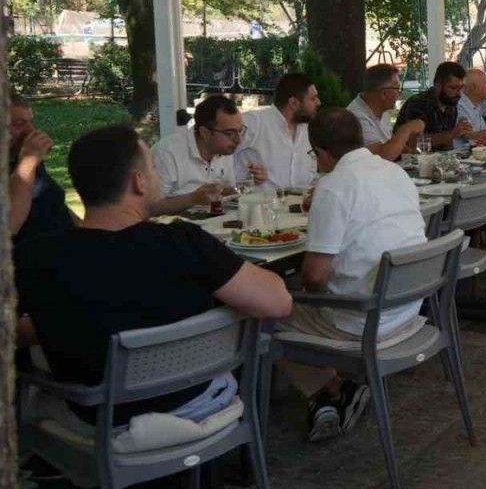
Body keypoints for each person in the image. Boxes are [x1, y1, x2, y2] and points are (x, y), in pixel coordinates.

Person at [16, 124, 291, 427]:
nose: (158, 175)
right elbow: (278, 302)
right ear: (138, 182)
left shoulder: (35, 257)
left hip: (98, 418)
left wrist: (51, 322)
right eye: (153, 168)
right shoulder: (184, 243)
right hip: (197, 405)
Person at [275, 108, 428, 441]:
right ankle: (334, 390)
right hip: (408, 307)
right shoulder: (395, 172)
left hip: (367, 321)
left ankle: (326, 389)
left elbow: (314, 277)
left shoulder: (333, 186)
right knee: (292, 295)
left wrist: (308, 299)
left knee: (265, 309)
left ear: (321, 153)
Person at [151, 94, 267, 214]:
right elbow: (150, 207)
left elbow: (226, 193)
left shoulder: (225, 151)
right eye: (229, 133)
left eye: (240, 131)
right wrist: (192, 199)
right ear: (205, 133)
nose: (238, 140)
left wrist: (250, 181)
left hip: (216, 221)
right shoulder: (168, 153)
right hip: (175, 224)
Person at [9, 93, 75, 244]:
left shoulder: (19, 156)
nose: (31, 131)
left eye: (31, 122)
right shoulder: (26, 161)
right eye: (19, 124)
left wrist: (88, 231)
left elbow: (53, 203)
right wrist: (28, 161)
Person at [237, 73, 319, 190]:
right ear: (293, 103)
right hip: (258, 200)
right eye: (313, 99)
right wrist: (244, 177)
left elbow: (312, 174)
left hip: (301, 201)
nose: (318, 102)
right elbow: (221, 153)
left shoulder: (309, 130)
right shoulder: (254, 122)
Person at [347, 63, 424, 160]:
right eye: (397, 89)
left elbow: (391, 143)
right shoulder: (356, 117)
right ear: (384, 94)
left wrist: (414, 152)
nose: (399, 93)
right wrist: (407, 129)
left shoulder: (382, 110)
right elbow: (380, 156)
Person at [395, 62, 472, 152]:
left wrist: (453, 156)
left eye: (461, 88)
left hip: (437, 158)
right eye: (453, 88)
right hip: (408, 158)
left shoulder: (450, 105)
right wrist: (452, 134)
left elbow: (447, 142)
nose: (459, 93)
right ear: (438, 86)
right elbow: (415, 142)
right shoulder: (418, 103)